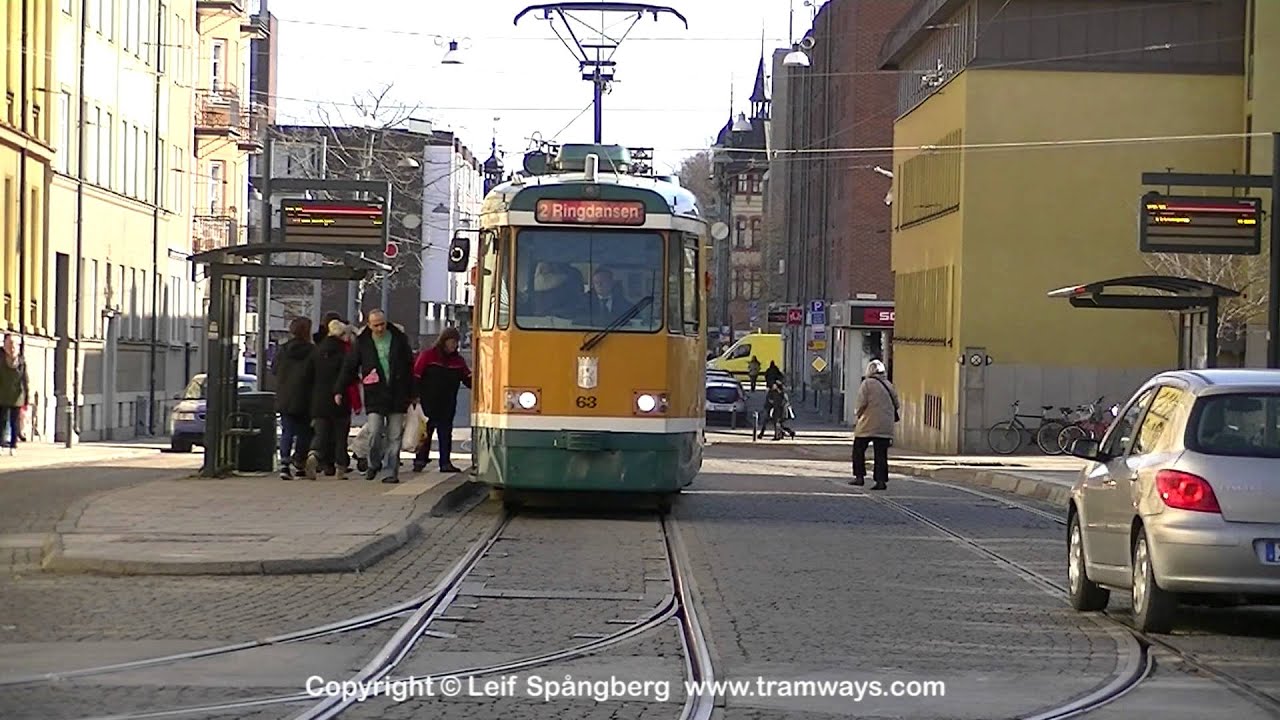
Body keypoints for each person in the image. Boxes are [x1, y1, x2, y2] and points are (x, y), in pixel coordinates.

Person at [337, 309, 414, 484]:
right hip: (375, 394)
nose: (380, 328)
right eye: (376, 325)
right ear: (369, 325)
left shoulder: (399, 340)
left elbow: (409, 367)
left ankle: (391, 471)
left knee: (394, 436)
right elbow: (350, 366)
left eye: (382, 324)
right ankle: (373, 463)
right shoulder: (363, 342)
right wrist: (339, 389)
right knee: (375, 431)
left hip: (397, 393)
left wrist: (413, 393)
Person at [411, 326, 472, 473]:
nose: (454, 345)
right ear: (444, 341)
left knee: (445, 433)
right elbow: (416, 376)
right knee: (426, 432)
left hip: (447, 403)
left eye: (456, 342)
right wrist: (414, 396)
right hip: (428, 401)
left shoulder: (458, 361)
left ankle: (445, 462)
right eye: (451, 342)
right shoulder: (428, 356)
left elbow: (467, 379)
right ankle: (420, 460)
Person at [305, 320, 357, 478]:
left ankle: (313, 455)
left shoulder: (317, 351)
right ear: (342, 335)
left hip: (319, 399)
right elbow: (349, 375)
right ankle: (341, 467)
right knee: (341, 435)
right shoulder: (344, 353)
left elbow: (308, 375)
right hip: (340, 398)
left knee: (320, 434)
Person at [273, 317, 314, 479]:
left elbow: (275, 369)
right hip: (305, 398)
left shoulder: (283, 350)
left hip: (285, 397)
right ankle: (299, 463)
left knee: (287, 432)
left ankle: (284, 464)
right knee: (305, 433)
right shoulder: (312, 351)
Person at [852, 359, 898, 490]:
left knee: (858, 449)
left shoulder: (866, 384)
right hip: (885, 425)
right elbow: (897, 403)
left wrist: (857, 415)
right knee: (881, 454)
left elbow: (861, 403)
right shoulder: (889, 384)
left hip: (868, 423)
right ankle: (881, 481)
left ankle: (859, 477)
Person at [0, 334, 27, 453]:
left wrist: (26, 397)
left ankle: (13, 445)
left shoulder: (21, 361)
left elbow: (25, 380)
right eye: (10, 344)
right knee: (2, 420)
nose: (12, 347)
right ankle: (0, 444)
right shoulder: (0, 359)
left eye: (15, 344)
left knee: (14, 422)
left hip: (17, 396)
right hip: (2, 394)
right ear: (4, 345)